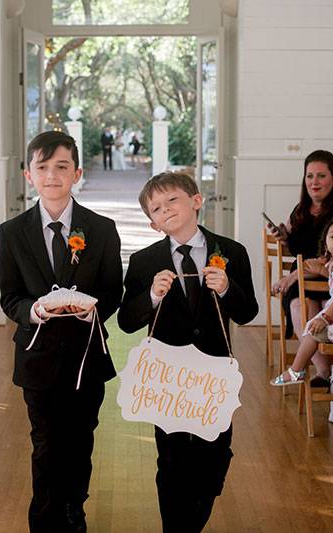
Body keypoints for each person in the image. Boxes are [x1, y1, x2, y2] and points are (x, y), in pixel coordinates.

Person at [117, 171, 257, 532]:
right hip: (167, 378)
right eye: (157, 209)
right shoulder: (145, 261)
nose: (166, 211)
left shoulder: (232, 252)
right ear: (152, 223)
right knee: (172, 460)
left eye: (173, 200)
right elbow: (127, 321)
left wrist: (227, 289)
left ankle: (190, 522)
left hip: (214, 375)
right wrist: (151, 296)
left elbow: (249, 312)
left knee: (215, 456)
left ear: (196, 200)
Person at [0, 131, 122, 532]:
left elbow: (112, 290)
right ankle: (44, 517)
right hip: (37, 356)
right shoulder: (11, 232)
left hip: (87, 357)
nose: (52, 175)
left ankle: (74, 507)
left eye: (62, 167)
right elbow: (10, 296)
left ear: (77, 173)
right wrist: (33, 310)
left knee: (81, 440)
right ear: (28, 175)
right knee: (46, 442)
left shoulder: (101, 229)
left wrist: (90, 311)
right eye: (43, 167)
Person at [270, 149, 333, 385]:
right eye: (309, 176)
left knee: (327, 308)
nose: (314, 182)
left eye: (321, 176)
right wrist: (284, 236)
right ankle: (324, 372)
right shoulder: (301, 210)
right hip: (304, 279)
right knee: (299, 306)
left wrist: (293, 275)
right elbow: (296, 243)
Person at [270, 217, 333, 385]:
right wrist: (304, 272)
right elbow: (317, 269)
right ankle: (316, 372)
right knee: (312, 328)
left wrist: (324, 318)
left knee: (312, 330)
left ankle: (296, 371)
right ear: (326, 244)